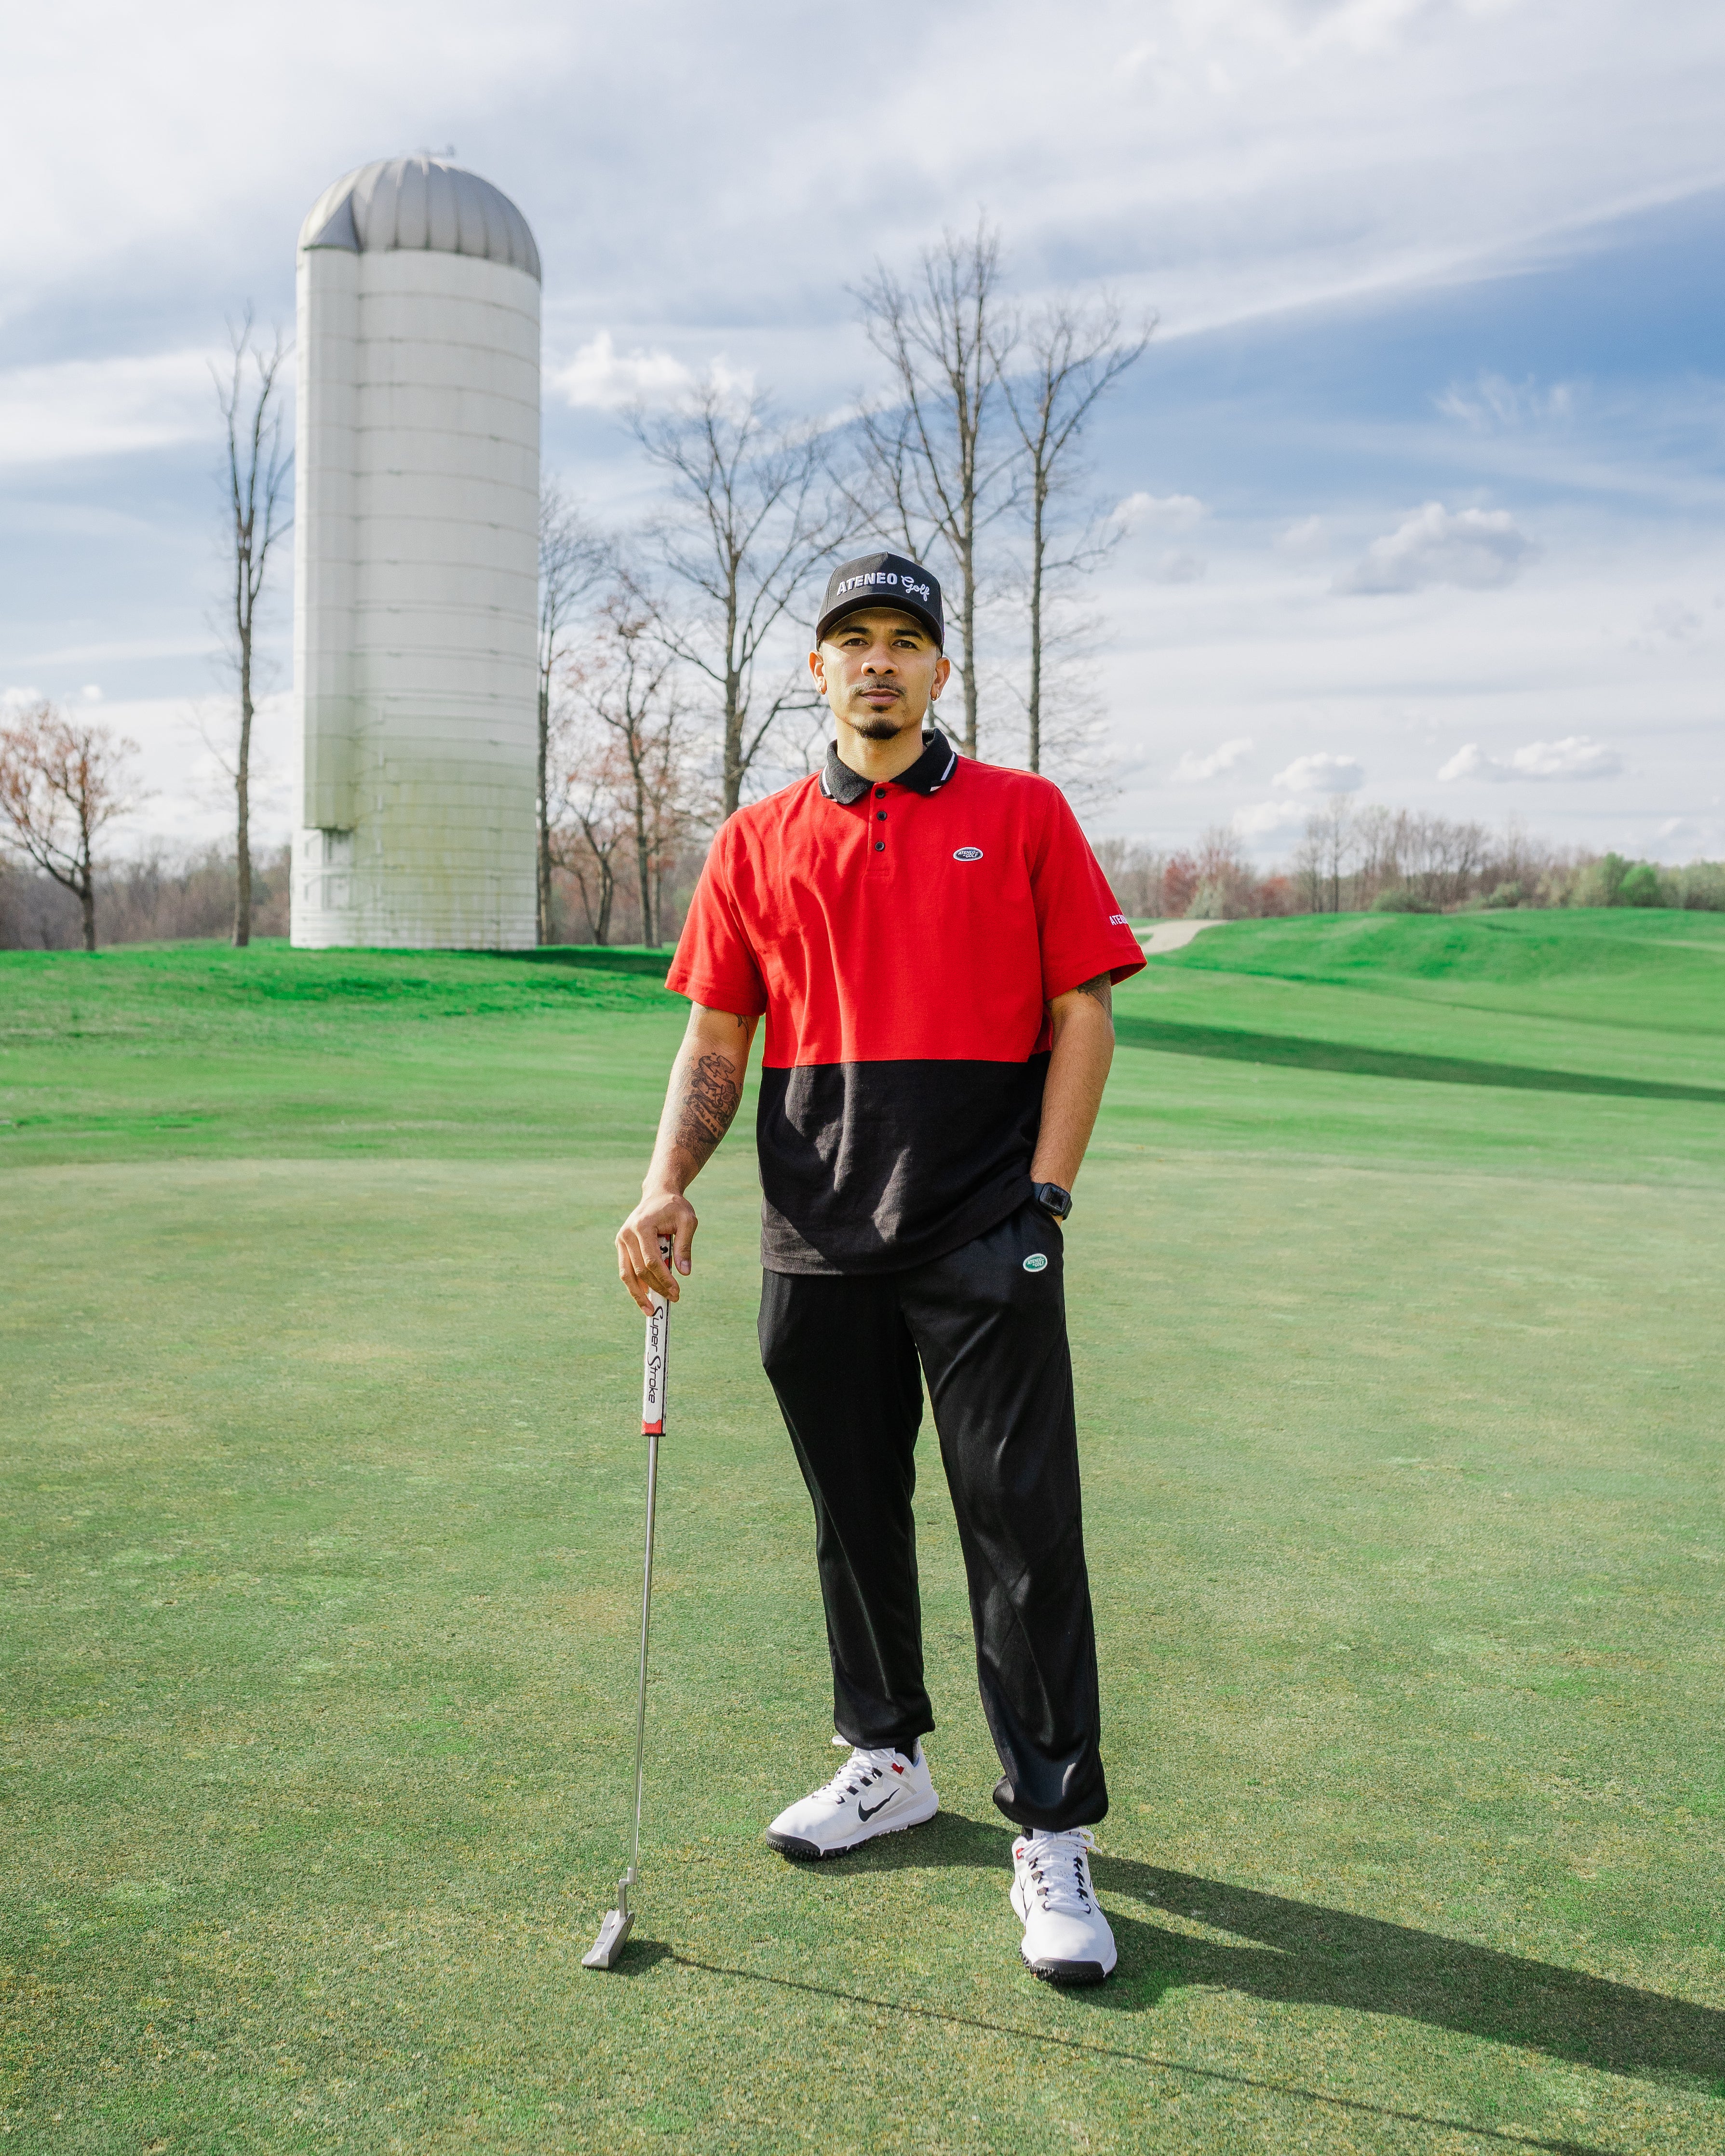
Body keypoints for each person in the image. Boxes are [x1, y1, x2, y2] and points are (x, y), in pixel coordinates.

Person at [615, 551, 1145, 1984]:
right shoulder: (757, 838)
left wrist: (1043, 1196)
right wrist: (668, 1184)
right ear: (816, 670)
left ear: (938, 673)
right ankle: (886, 1758)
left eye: (905, 641)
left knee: (1022, 1536)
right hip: (816, 1240)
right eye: (851, 640)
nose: (878, 663)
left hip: (983, 1232)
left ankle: (1048, 1827)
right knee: (853, 1521)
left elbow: (1081, 1012)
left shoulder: (1023, 815)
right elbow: (717, 1042)